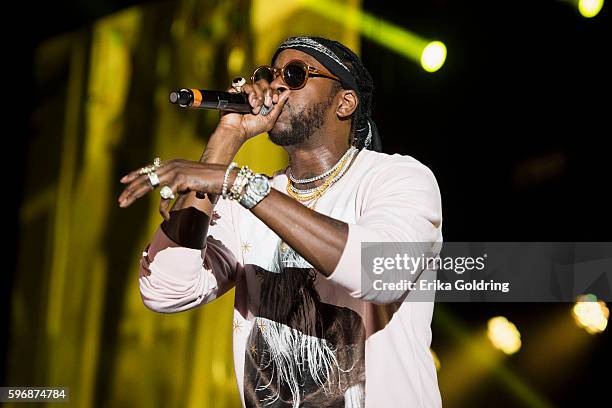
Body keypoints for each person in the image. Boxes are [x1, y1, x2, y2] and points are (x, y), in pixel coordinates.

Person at [118, 36, 443, 408]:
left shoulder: (397, 178)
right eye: (268, 75)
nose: (275, 85)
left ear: (345, 101)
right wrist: (226, 139)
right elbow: (166, 290)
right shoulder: (247, 202)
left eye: (295, 74)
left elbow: (378, 271)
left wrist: (237, 183)